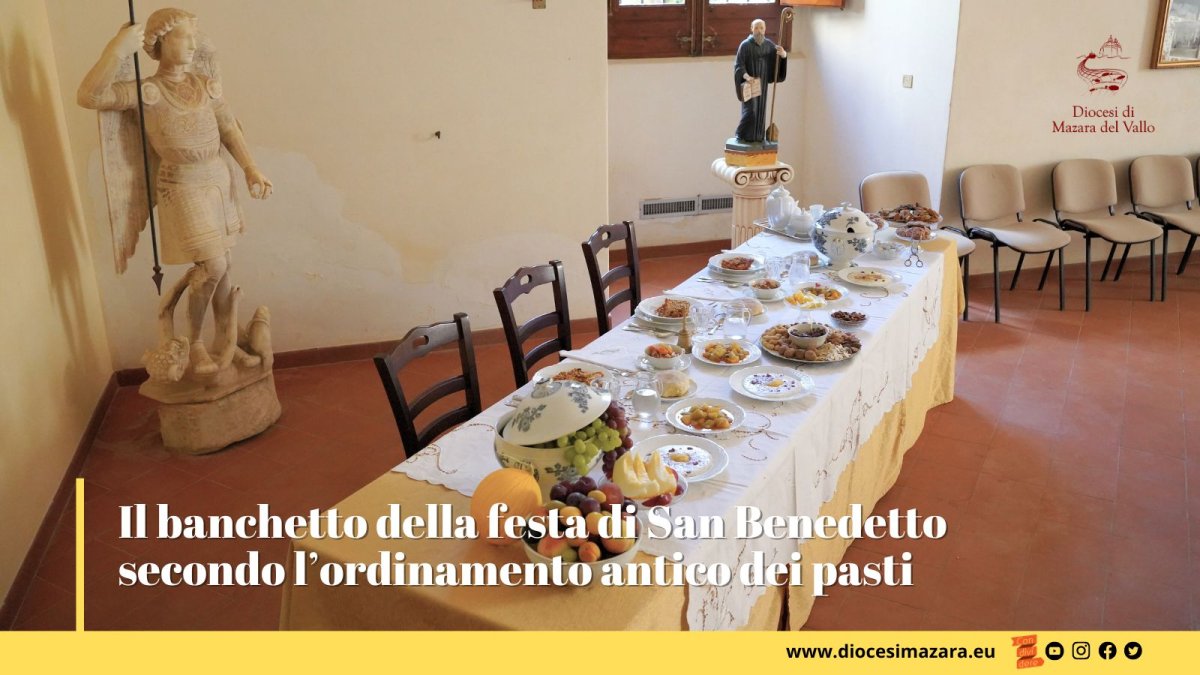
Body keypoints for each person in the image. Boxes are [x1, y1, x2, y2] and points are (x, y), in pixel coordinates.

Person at [78, 8, 272, 375]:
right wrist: (117, 49)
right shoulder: (146, 92)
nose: (193, 44)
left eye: (194, 36)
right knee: (212, 265)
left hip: (218, 180)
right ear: (161, 41)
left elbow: (229, 128)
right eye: (185, 36)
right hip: (181, 184)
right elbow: (90, 96)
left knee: (225, 267)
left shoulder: (205, 85)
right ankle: (195, 343)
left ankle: (226, 341)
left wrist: (250, 168)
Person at [733, 19, 787, 144]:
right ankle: (740, 133)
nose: (759, 31)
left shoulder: (769, 45)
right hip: (750, 84)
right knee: (751, 111)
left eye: (761, 28)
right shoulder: (745, 45)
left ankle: (757, 136)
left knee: (760, 110)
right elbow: (739, 65)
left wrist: (783, 55)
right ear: (751, 29)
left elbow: (777, 61)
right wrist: (746, 76)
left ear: (765, 29)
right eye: (756, 28)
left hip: (762, 84)